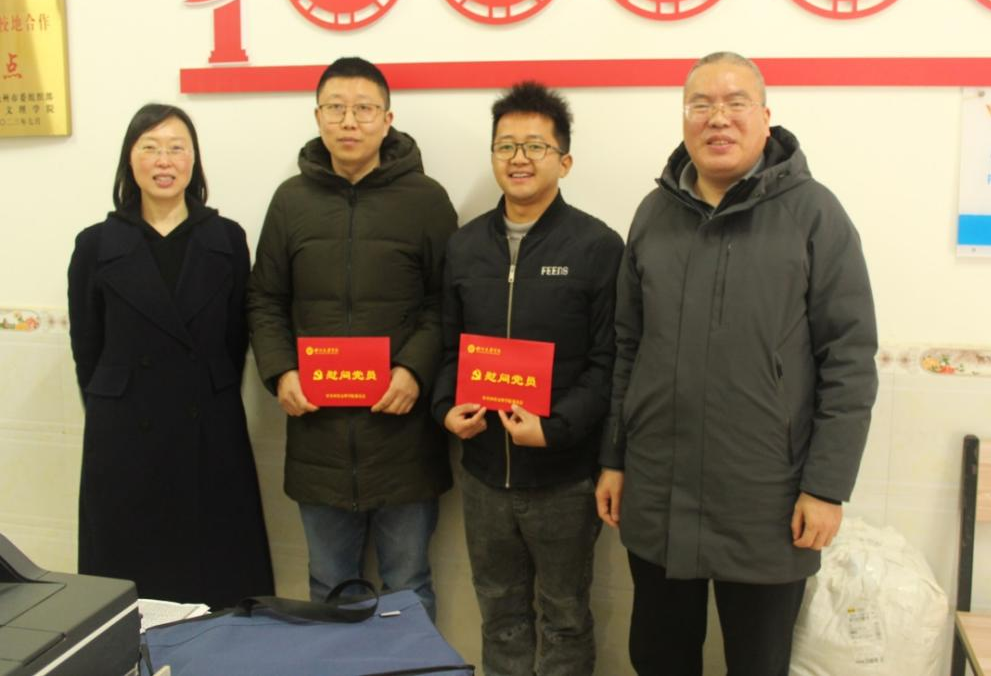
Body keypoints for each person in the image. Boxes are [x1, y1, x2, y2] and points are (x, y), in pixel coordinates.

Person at [595, 52, 878, 676]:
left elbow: (849, 358)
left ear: (766, 117)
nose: (717, 118)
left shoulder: (815, 214)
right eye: (701, 104)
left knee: (758, 663)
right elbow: (627, 346)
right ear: (684, 118)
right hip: (659, 488)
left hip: (768, 499)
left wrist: (826, 487)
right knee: (659, 658)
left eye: (735, 103)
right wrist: (614, 459)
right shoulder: (654, 214)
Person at [247, 57, 456, 620]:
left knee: (408, 586)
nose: (349, 121)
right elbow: (264, 298)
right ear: (317, 117)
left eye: (364, 109)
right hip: (318, 435)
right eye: (336, 108)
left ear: (387, 119)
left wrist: (413, 370)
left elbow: (446, 302)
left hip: (402, 436)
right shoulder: (291, 201)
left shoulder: (427, 200)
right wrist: (280, 372)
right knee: (328, 587)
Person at [431, 81, 623, 676]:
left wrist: (555, 428)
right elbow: (448, 347)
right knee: (500, 614)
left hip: (563, 477)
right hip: (485, 474)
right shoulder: (464, 247)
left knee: (564, 618)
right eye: (506, 145)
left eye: (536, 146)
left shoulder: (598, 247)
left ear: (564, 161)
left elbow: (609, 362)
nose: (519, 158)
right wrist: (445, 407)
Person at [67, 103, 274, 608]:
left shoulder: (226, 239)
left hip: (209, 425)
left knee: (216, 570)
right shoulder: (95, 245)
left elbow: (233, 339)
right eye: (151, 147)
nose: (164, 160)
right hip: (123, 432)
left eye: (177, 148)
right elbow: (87, 348)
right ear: (130, 159)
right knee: (129, 571)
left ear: (193, 160)